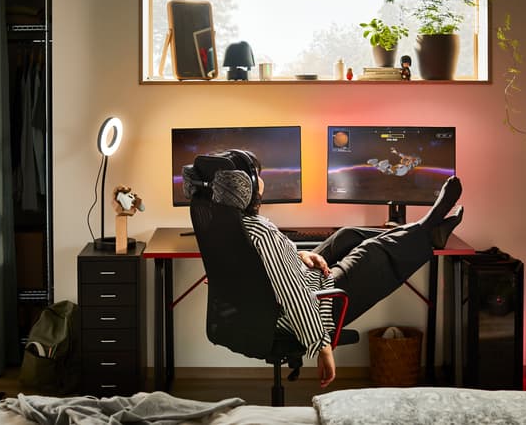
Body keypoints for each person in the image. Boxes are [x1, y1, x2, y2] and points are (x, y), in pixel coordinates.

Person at [197, 149, 463, 389]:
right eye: (256, 175)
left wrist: (299, 254)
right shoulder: (260, 233)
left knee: (346, 236)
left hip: (264, 306)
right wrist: (322, 346)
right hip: (304, 310)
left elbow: (261, 266)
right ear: (247, 187)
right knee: (370, 254)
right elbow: (293, 294)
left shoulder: (222, 227)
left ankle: (424, 231)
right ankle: (428, 231)